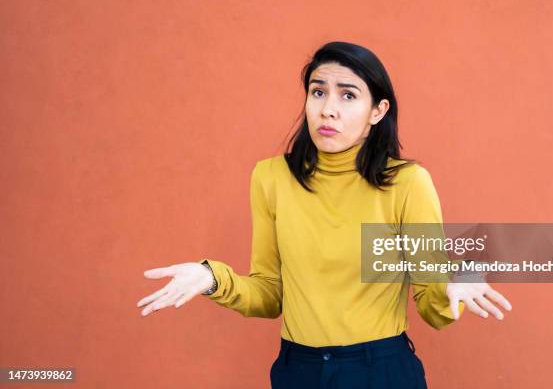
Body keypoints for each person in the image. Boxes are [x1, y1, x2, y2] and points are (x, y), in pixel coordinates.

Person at [136, 41, 512, 388]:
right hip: (298, 369)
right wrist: (211, 278)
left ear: (378, 112)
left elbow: (432, 302)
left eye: (348, 95)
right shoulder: (272, 178)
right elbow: (269, 294)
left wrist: (452, 285)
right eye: (318, 92)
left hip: (378, 370)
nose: (327, 108)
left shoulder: (407, 183)